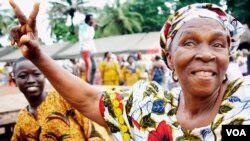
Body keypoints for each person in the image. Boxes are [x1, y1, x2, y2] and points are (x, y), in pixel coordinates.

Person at [9, 1, 250, 140]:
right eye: (189, 42)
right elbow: (91, 99)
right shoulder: (148, 108)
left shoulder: (244, 102)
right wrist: (38, 56)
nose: (207, 53)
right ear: (170, 58)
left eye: (218, 44)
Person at [11, 57, 103, 141]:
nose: (31, 80)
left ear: (45, 76)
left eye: (36, 74)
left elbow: (93, 130)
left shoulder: (63, 98)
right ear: (15, 81)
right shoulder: (23, 118)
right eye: (23, 76)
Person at [79, 14, 97, 84]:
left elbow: (91, 39)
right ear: (87, 20)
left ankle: (90, 83)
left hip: (90, 50)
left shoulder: (90, 28)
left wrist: (94, 50)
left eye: (93, 19)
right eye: (91, 19)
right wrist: (91, 28)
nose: (93, 21)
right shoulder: (83, 27)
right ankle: (87, 81)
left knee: (94, 67)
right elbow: (85, 37)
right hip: (85, 49)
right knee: (89, 65)